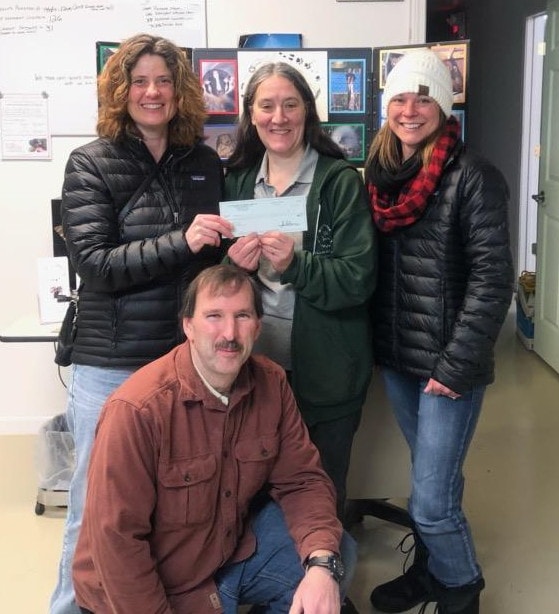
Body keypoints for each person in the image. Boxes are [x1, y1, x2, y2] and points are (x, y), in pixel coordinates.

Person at [50, 34, 233, 614]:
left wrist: (239, 255)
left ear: (180, 92)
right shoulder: (90, 162)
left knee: (172, 504)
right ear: (119, 91)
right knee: (94, 507)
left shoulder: (203, 162)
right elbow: (93, 264)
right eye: (139, 81)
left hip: (183, 361)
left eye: (164, 81)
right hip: (112, 361)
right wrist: (182, 241)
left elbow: (208, 259)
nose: (152, 92)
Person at [72, 264, 356, 614]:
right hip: (148, 590)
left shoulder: (271, 383)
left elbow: (303, 481)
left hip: (222, 555)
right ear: (188, 326)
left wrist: (322, 565)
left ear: (258, 326)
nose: (230, 333)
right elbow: (117, 542)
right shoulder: (137, 409)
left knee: (335, 553)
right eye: (214, 316)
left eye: (242, 316)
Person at [364, 49, 514, 614]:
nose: (410, 110)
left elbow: (492, 280)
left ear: (444, 107)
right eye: (400, 98)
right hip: (398, 357)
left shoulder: (473, 176)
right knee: (436, 484)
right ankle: (429, 570)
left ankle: (460, 590)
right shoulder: (379, 176)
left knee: (429, 502)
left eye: (423, 99)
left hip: (449, 367)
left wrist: (455, 367)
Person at [224, 62, 376, 524]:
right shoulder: (238, 180)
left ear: (307, 111)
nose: (279, 117)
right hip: (253, 368)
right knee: (253, 494)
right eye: (266, 106)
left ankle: (326, 568)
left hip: (326, 370)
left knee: (320, 493)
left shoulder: (339, 181)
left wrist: (297, 264)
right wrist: (233, 266)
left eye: (290, 105)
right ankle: (272, 571)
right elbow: (218, 283)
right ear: (251, 114)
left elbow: (358, 279)